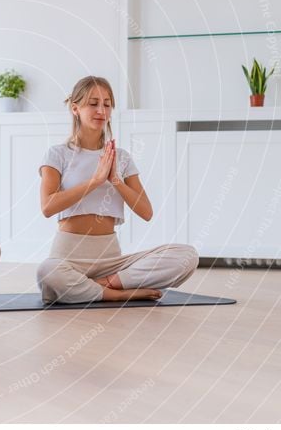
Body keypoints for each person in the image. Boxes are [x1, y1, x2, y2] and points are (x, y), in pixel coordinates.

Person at [36, 76, 198, 304]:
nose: (101, 110)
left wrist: (116, 180)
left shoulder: (120, 157)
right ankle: (116, 294)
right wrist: (95, 180)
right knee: (47, 271)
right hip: (68, 258)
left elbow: (146, 212)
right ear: (75, 108)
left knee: (187, 256)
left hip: (110, 261)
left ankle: (104, 285)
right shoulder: (57, 154)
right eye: (93, 103)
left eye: (107, 103)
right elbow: (47, 207)